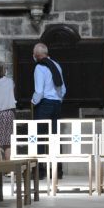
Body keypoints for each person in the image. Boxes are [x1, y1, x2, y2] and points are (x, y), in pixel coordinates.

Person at [31, 42, 66, 179]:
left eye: (34, 54)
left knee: (39, 137)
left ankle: (39, 171)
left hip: (44, 104)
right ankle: (58, 171)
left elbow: (39, 91)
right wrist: (58, 99)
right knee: (55, 137)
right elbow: (62, 88)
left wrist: (33, 101)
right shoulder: (56, 65)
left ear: (37, 55)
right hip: (57, 104)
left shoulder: (40, 67)